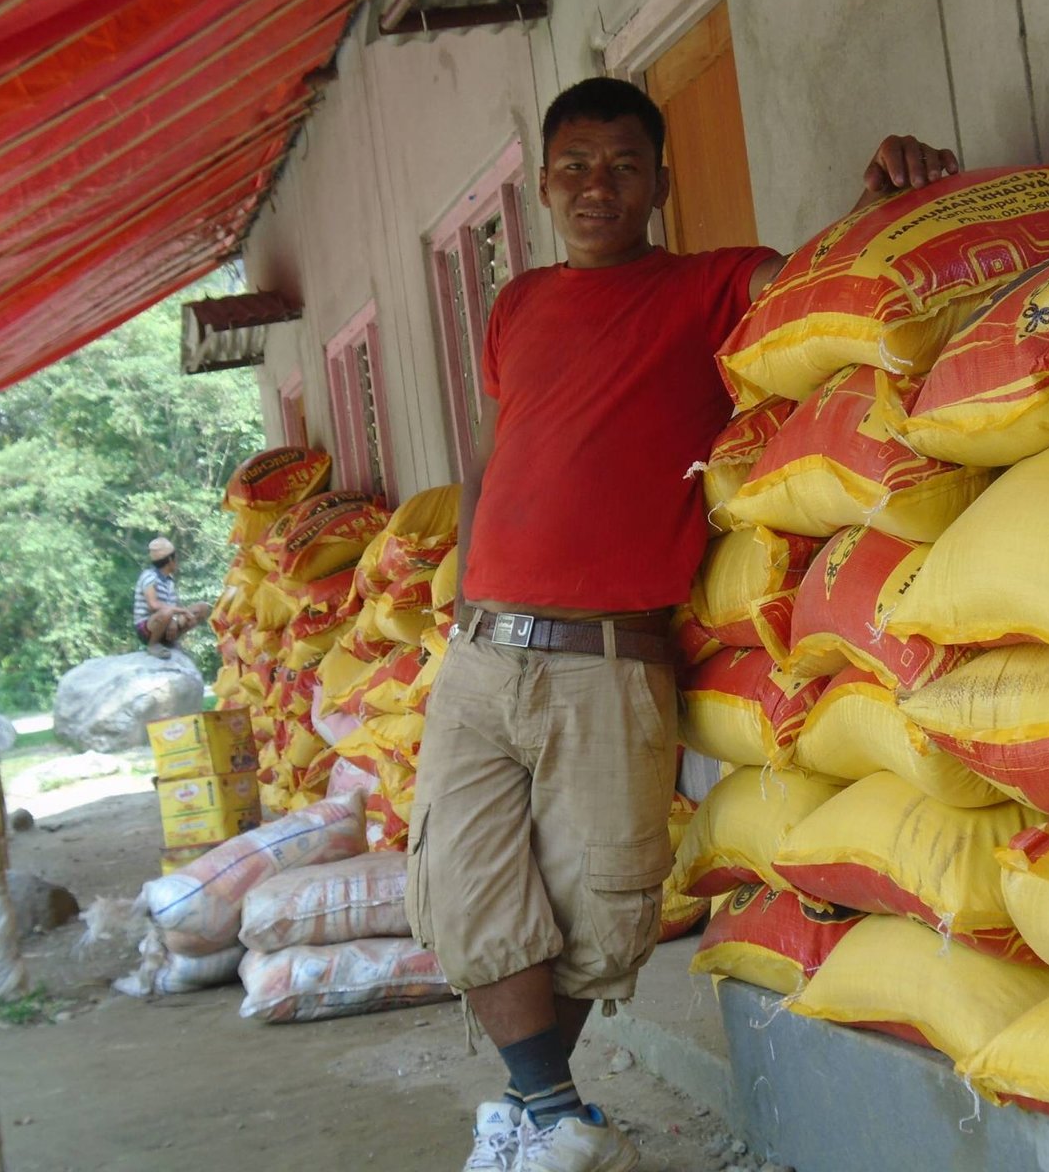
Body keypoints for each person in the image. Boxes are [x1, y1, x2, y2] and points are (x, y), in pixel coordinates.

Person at [407, 75, 959, 1172]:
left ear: (659, 183)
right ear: (545, 184)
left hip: (605, 661)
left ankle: (539, 1116)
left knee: (600, 909)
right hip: (481, 657)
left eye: (622, 166)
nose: (596, 187)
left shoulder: (708, 287)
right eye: (574, 166)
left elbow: (815, 285)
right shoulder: (517, 304)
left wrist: (877, 195)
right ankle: (553, 1116)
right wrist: (466, 596)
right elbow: (487, 454)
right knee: (462, 892)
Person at [134, 537, 210, 658]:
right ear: (170, 559)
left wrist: (174, 619)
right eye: (176, 558)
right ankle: (153, 645)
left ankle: (170, 642)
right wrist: (178, 612)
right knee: (167, 612)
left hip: (167, 620)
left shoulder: (169, 581)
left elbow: (173, 607)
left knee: (202, 608)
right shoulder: (149, 576)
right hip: (148, 627)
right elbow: (153, 605)